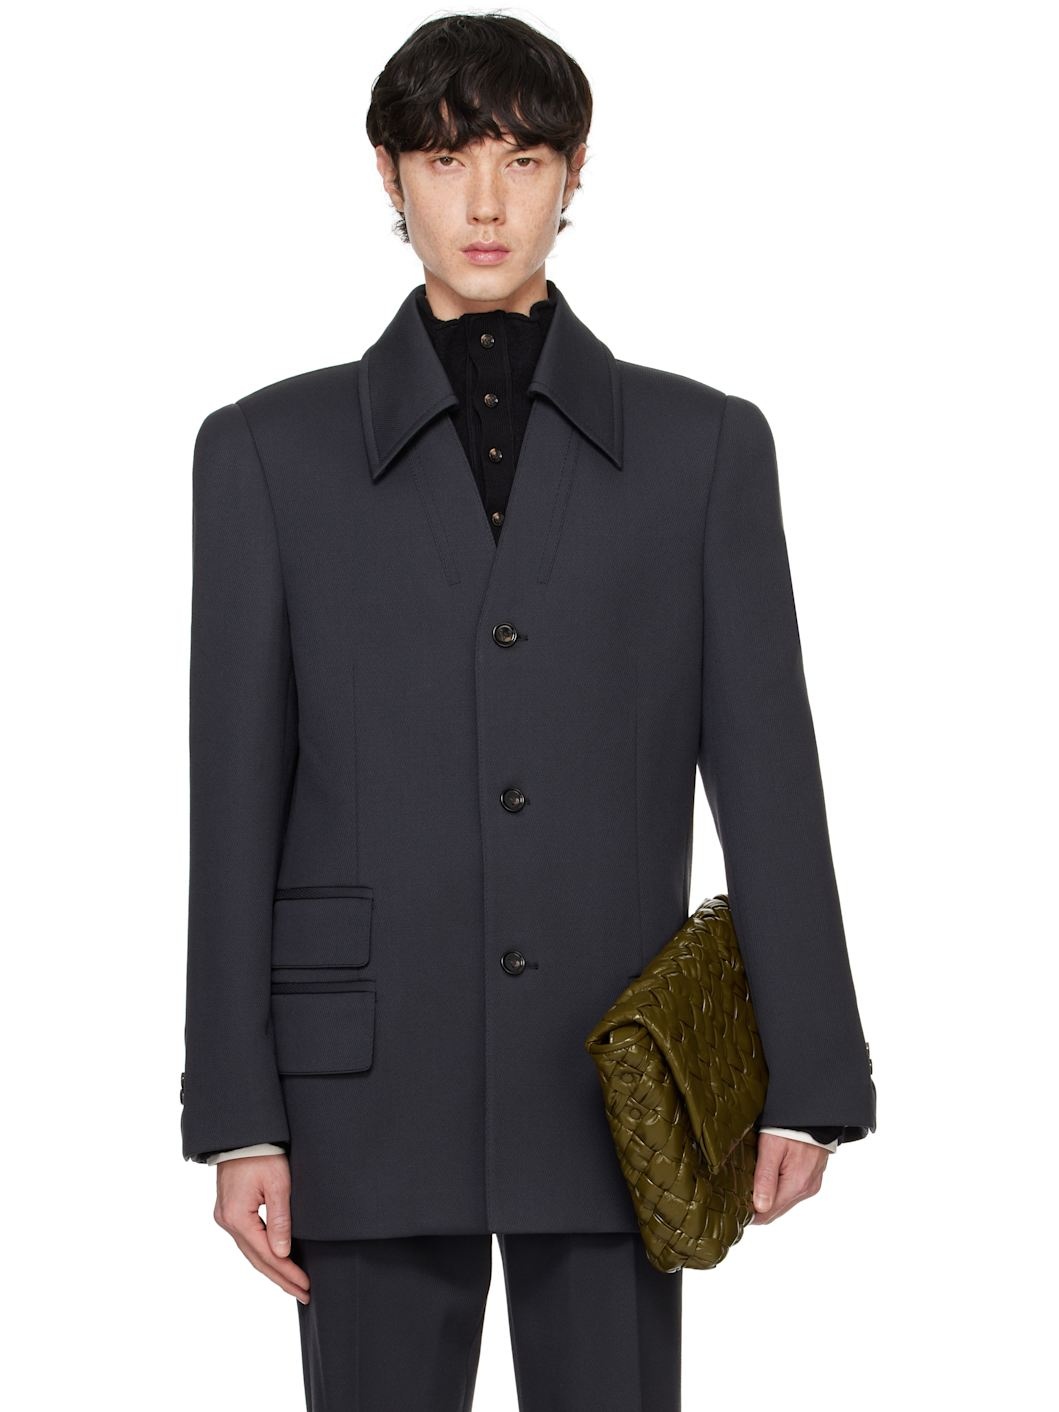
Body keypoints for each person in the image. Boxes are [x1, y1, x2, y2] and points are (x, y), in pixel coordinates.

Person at [180, 13, 876, 1409]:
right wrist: (238, 1114)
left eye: (524, 157)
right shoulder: (265, 453)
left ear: (576, 171)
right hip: (363, 1077)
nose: (487, 202)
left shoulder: (702, 449)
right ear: (388, 175)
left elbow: (770, 775)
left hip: (616, 1071)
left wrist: (808, 1068)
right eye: (447, 160)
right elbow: (233, 803)